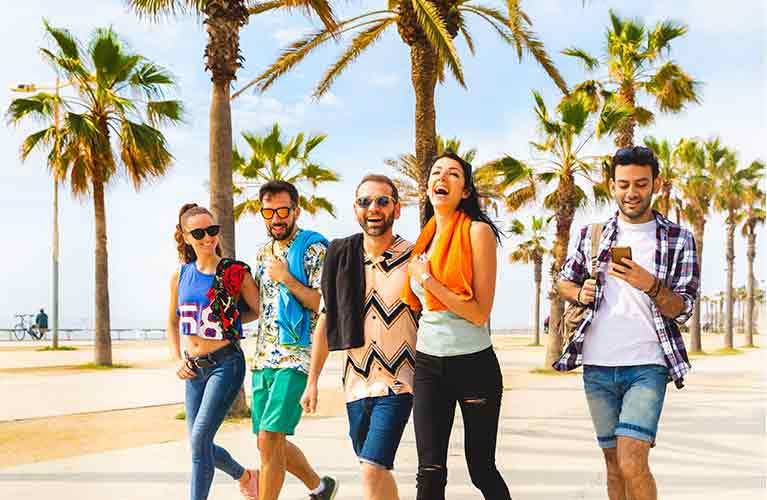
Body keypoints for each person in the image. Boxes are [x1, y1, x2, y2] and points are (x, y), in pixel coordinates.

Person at [555, 146, 700, 500]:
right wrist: (580, 292)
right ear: (611, 186)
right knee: (614, 465)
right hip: (597, 366)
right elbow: (563, 282)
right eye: (623, 185)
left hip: (647, 365)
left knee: (633, 461)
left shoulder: (678, 238)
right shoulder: (592, 234)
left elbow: (684, 308)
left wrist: (649, 284)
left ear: (656, 184)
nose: (631, 193)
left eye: (640, 184)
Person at [402, 152, 511, 500]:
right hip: (430, 364)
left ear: (465, 191)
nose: (443, 178)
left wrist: (429, 281)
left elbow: (479, 312)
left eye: (453, 174)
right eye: (437, 172)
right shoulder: (425, 238)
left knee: (481, 469)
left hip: (473, 364)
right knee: (429, 472)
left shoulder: (478, 232)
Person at [301, 174, 417, 500]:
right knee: (375, 470)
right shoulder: (341, 259)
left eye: (382, 201)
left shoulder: (415, 257)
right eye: (365, 201)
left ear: (397, 208)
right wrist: (312, 382)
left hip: (400, 382)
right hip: (355, 385)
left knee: (371, 469)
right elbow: (325, 321)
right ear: (356, 209)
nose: (374, 208)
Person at [245, 180, 338, 500]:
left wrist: (287, 278)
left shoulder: (315, 248)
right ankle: (320, 487)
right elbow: (260, 307)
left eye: (283, 210)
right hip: (262, 358)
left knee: (271, 437)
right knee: (267, 441)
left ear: (296, 211)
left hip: (296, 356)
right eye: (268, 212)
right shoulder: (261, 253)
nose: (276, 218)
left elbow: (324, 306)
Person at [167, 203, 261, 500]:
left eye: (212, 230)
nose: (208, 237)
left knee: (200, 440)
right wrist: (175, 358)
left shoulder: (234, 272)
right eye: (199, 232)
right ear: (185, 237)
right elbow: (172, 320)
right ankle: (246, 476)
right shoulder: (180, 275)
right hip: (194, 367)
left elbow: (256, 310)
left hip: (226, 364)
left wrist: (228, 320)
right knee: (198, 443)